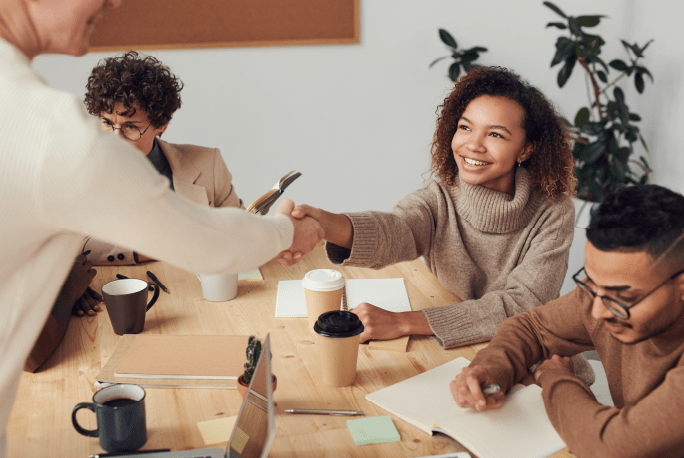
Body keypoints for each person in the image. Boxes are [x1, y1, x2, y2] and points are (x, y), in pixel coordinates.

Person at [0, 0, 322, 455]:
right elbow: (206, 242)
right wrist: (289, 232)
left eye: (131, 126)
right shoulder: (50, 132)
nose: (114, 2)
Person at [288, 67, 578, 349]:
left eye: (496, 135)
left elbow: (522, 305)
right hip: (451, 343)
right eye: (465, 127)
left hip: (523, 351)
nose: (473, 145)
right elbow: (395, 230)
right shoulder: (441, 195)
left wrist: (404, 323)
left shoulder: (553, 212)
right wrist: (324, 224)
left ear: (526, 149)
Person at [452, 184, 684, 458]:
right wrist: (493, 368)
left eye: (622, 297)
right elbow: (531, 328)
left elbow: (609, 446)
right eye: (592, 285)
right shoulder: (601, 298)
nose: (597, 312)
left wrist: (555, 377)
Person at [82, 51, 244, 269]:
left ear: (161, 126)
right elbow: (70, 245)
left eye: (131, 127)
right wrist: (148, 249)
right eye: (107, 123)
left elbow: (238, 232)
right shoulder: (78, 169)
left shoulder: (208, 164)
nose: (115, 139)